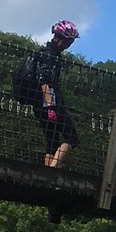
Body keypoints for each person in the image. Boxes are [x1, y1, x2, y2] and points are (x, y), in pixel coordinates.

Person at [29, 20, 81, 168]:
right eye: (68, 41)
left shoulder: (45, 52)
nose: (69, 44)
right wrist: (51, 107)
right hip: (50, 104)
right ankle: (53, 172)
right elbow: (44, 81)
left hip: (38, 103)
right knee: (72, 138)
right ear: (59, 38)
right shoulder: (51, 55)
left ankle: (46, 176)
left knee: (52, 140)